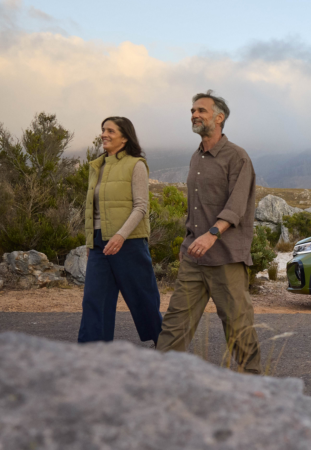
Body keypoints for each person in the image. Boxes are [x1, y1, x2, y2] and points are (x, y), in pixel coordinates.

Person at [156, 90, 261, 374]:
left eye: (201, 110)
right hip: (194, 257)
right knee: (175, 324)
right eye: (192, 111)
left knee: (238, 324)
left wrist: (212, 233)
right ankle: (159, 382)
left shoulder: (237, 157)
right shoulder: (196, 157)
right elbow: (195, 207)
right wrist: (188, 240)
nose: (194, 115)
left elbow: (237, 204)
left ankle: (255, 386)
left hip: (225, 257)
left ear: (219, 117)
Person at [78, 117, 163, 344]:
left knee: (143, 300)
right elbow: (91, 209)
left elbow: (141, 207)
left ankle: (167, 347)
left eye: (110, 131)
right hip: (99, 243)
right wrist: (90, 242)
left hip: (130, 242)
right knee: (94, 301)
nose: (104, 134)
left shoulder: (136, 164)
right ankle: (91, 354)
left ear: (124, 137)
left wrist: (120, 235)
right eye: (103, 130)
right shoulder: (97, 166)